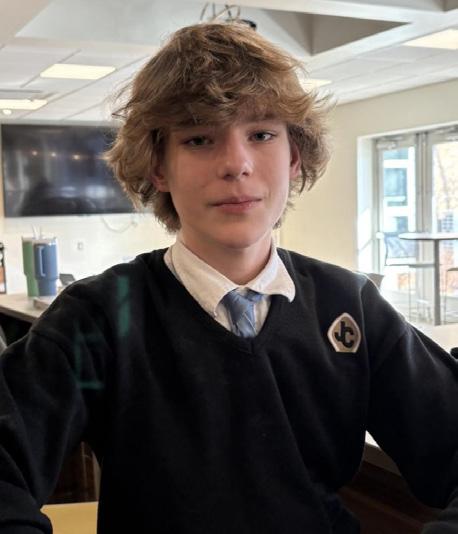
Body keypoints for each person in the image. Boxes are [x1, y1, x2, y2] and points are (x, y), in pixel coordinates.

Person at [1, 22, 458, 534]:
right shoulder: (101, 318)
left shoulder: (349, 307)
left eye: (261, 134)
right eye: (199, 139)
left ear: (294, 155)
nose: (236, 164)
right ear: (158, 168)